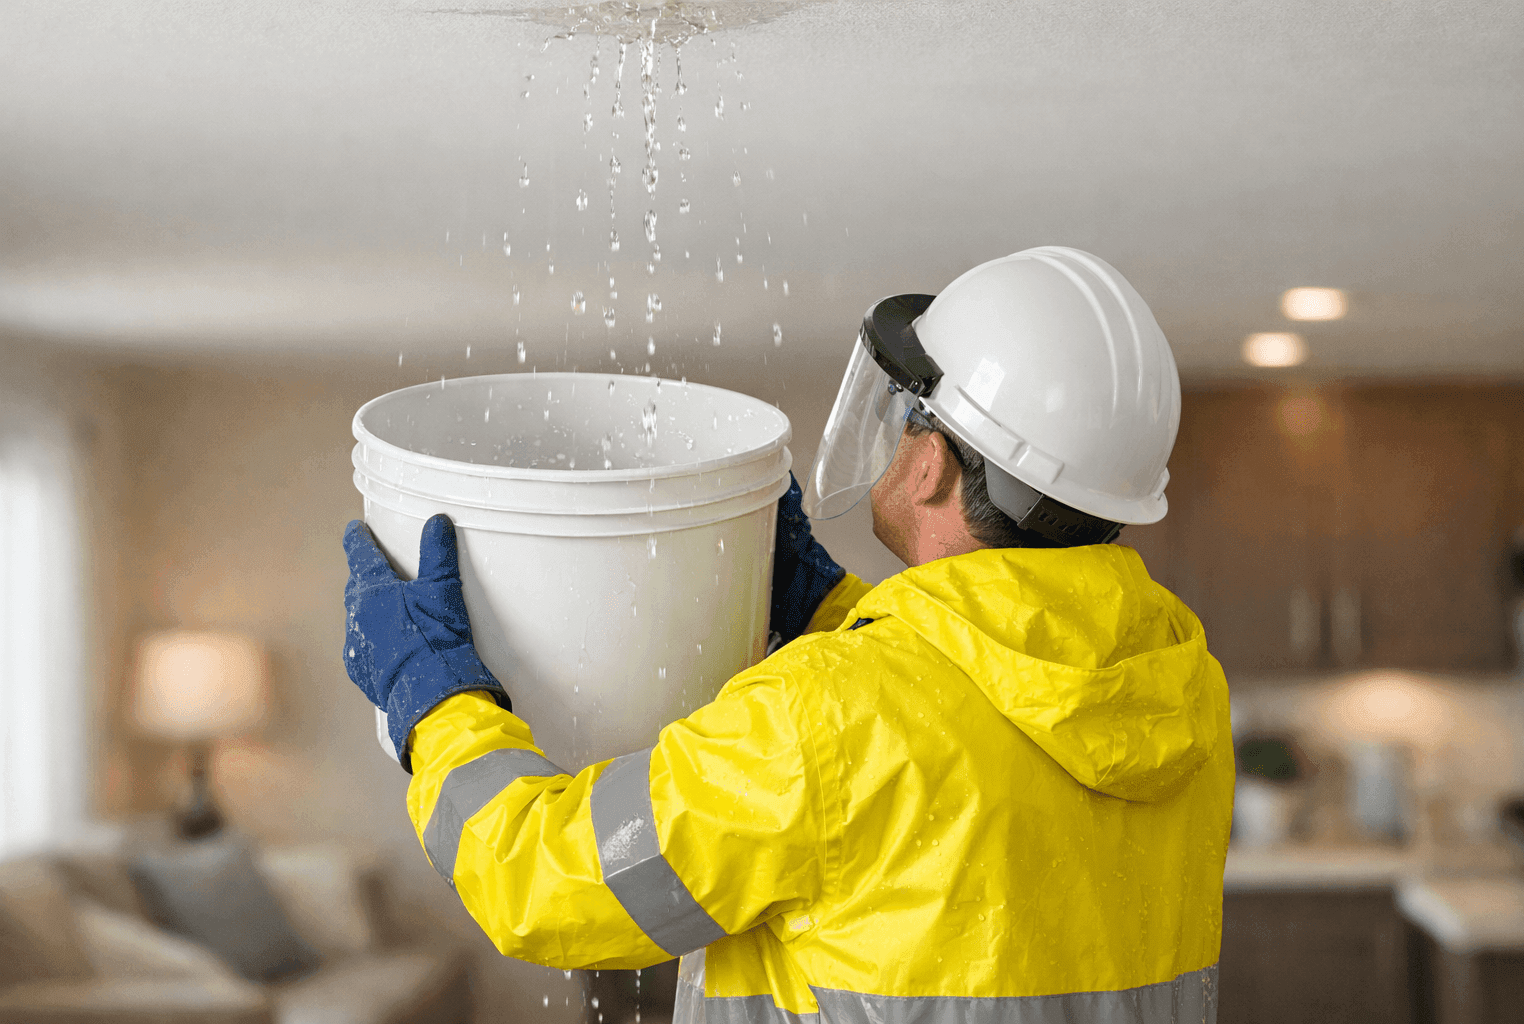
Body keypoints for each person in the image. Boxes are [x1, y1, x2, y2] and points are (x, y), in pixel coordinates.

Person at [343, 246, 1233, 1024]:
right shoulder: (1181, 693)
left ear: (929, 465)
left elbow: (542, 884)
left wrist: (434, 695)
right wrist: (831, 608)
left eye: (907, 417)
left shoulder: (826, 717)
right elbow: (975, 742)